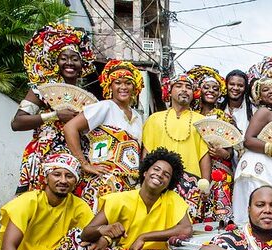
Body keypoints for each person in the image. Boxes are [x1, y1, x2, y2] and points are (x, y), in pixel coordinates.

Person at [13, 23, 95, 194]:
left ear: (82, 63)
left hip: (76, 156)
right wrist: (55, 115)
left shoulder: (85, 97)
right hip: (43, 155)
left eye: (75, 58)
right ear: (55, 62)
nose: (69, 63)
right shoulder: (40, 90)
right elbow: (17, 123)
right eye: (64, 58)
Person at [64, 60, 144, 212]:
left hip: (130, 185)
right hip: (103, 182)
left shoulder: (138, 117)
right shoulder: (104, 106)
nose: (123, 87)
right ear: (110, 85)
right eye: (117, 82)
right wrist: (84, 163)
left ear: (135, 86)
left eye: (128, 83)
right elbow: (70, 128)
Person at [143, 73, 211, 222]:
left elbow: (204, 155)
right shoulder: (154, 119)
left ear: (194, 94)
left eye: (188, 87)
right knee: (156, 222)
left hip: (192, 184)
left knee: (186, 229)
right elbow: (147, 153)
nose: (184, 90)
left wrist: (205, 184)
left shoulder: (202, 121)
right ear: (169, 91)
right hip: (159, 180)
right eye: (178, 86)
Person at [232, 78, 272, 224]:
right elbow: (249, 140)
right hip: (257, 168)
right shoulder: (263, 112)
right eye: (266, 90)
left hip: (270, 165)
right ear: (259, 97)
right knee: (255, 213)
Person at [187, 65, 235, 223]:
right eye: (206, 87)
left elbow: (234, 146)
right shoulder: (190, 117)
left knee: (221, 215)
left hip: (220, 173)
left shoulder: (225, 117)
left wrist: (225, 153)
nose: (211, 91)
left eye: (215, 88)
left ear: (220, 94)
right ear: (199, 90)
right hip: (195, 169)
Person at [219, 69, 255, 135]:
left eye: (240, 85)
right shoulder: (218, 108)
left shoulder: (254, 111)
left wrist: (236, 131)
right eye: (232, 84)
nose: (235, 88)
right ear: (226, 86)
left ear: (245, 88)